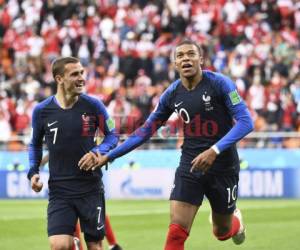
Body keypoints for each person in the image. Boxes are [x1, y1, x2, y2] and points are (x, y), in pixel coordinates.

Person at [79, 40, 254, 249]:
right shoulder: (172, 94)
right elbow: (145, 130)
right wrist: (111, 155)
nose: (186, 58)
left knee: (222, 232)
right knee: (176, 231)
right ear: (175, 64)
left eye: (191, 54)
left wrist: (214, 150)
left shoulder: (219, 83)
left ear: (201, 59)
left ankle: (236, 220)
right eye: (180, 56)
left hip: (223, 164)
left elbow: (246, 122)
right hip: (190, 164)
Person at [27, 56, 119, 250]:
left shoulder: (94, 105)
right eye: (74, 74)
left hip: (90, 187)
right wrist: (34, 171)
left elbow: (112, 135)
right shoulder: (42, 110)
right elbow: (35, 144)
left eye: (82, 73)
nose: (81, 78)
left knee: (95, 246)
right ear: (59, 79)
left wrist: (97, 151)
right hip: (60, 189)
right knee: (59, 245)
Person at [40, 154, 123, 250]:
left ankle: (112, 244)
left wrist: (106, 154)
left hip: (88, 180)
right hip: (66, 184)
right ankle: (111, 245)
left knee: (95, 223)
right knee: (71, 219)